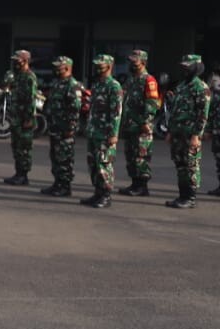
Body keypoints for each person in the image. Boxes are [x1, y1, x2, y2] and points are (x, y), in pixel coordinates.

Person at [165, 53, 212, 209]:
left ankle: (190, 197)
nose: (184, 70)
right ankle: (182, 195)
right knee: (180, 164)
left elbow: (203, 114)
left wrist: (196, 135)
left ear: (196, 68)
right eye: (183, 67)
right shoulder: (182, 86)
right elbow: (175, 110)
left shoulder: (201, 88)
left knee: (190, 165)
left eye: (187, 67)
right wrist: (170, 131)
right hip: (178, 133)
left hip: (190, 133)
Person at [118, 49, 161, 196]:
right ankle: (134, 184)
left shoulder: (149, 80)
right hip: (130, 126)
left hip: (141, 126)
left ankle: (142, 186)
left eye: (135, 62)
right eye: (130, 61)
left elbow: (152, 103)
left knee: (141, 157)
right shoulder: (131, 79)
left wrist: (145, 121)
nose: (131, 64)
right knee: (131, 156)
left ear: (143, 62)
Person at [81, 54, 122, 208]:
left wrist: (114, 133)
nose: (98, 68)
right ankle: (97, 192)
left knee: (104, 164)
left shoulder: (114, 86)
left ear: (109, 66)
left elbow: (116, 112)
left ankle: (106, 195)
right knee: (93, 164)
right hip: (94, 131)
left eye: (101, 65)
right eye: (96, 65)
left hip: (105, 133)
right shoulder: (98, 85)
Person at [41, 56, 83, 197]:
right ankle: (57, 183)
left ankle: (65, 186)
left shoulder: (72, 85)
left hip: (65, 129)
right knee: (55, 156)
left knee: (65, 158)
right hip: (55, 127)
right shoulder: (58, 83)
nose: (56, 69)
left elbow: (75, 109)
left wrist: (70, 128)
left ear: (67, 68)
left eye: (59, 67)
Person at [3, 49, 38, 185]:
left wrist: (29, 118)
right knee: (16, 146)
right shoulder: (17, 76)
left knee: (24, 148)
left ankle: (23, 175)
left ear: (25, 61)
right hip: (16, 118)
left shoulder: (30, 77)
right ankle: (18, 173)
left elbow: (31, 99)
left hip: (25, 119)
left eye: (17, 61)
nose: (15, 63)